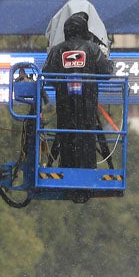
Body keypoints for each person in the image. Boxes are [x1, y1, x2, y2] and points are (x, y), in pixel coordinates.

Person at [41, 12, 112, 169]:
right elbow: (106, 73)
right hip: (88, 105)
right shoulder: (93, 49)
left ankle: (67, 165)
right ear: (84, 29)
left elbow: (46, 75)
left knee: (66, 134)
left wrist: (62, 86)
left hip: (64, 105)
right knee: (87, 136)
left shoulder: (56, 51)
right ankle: (87, 167)